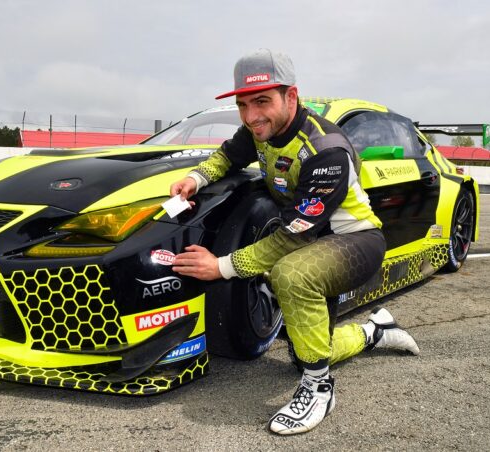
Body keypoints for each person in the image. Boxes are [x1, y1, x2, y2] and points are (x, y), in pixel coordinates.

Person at [170, 48, 419, 435]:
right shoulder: (259, 130)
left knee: (290, 274)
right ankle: (375, 331)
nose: (252, 116)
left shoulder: (327, 149)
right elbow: (226, 158)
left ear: (291, 96)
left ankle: (320, 389)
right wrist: (196, 179)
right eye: (243, 105)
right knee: (306, 351)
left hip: (355, 242)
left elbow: (290, 237)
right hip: (313, 243)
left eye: (262, 101)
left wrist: (218, 267)